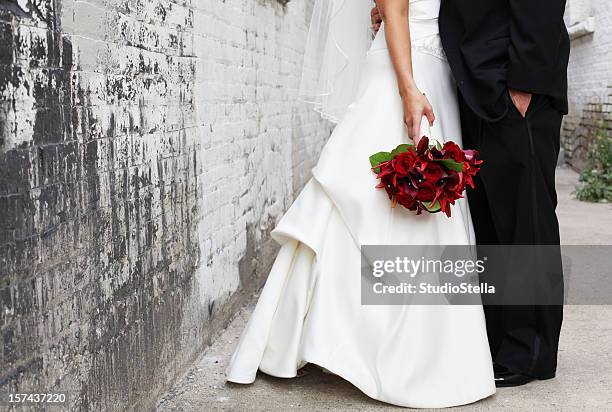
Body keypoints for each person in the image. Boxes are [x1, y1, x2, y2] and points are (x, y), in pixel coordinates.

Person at [226, 0, 496, 408]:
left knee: (410, 199)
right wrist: (409, 90)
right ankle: (377, 349)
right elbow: (397, 9)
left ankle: (397, 345)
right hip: (408, 71)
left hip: (426, 64)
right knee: (377, 195)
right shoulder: (408, 76)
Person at [374, 0, 570, 387]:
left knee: (524, 217)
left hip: (513, 80)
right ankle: (501, 339)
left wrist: (524, 81)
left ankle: (530, 350)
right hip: (473, 84)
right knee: (490, 219)